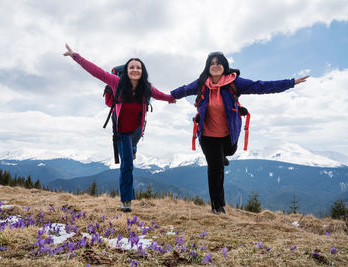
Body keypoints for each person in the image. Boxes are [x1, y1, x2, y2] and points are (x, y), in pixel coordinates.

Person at [170, 52, 308, 214]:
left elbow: (260, 86)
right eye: (212, 63)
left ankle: (222, 157)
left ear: (224, 66)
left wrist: (289, 83)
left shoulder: (233, 82)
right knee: (215, 169)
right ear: (208, 67)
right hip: (207, 135)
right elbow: (184, 90)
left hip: (229, 134)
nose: (215, 65)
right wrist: (166, 96)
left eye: (219, 63)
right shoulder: (202, 83)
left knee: (230, 151)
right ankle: (217, 207)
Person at [63, 44, 176, 212]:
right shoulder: (116, 82)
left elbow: (160, 95)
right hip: (122, 132)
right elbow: (96, 71)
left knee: (131, 150)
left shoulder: (146, 88)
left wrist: (171, 99)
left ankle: (133, 148)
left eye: (138, 67)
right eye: (132, 67)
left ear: (142, 71)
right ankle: (126, 201)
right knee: (127, 165)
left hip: (137, 131)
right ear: (127, 70)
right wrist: (76, 56)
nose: (135, 70)